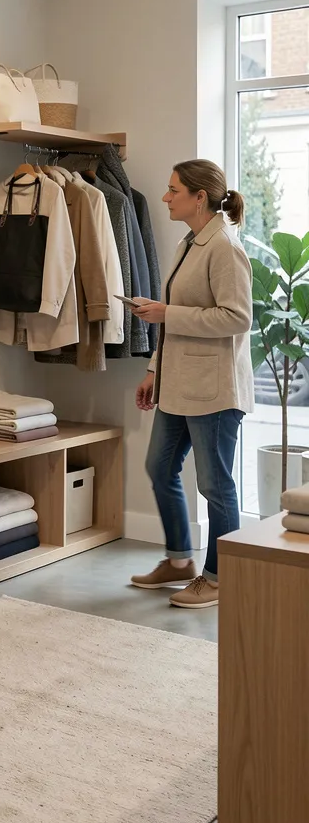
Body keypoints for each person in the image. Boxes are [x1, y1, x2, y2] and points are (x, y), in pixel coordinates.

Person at [130, 160, 253, 609]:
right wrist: (153, 370)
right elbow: (178, 317)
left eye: (173, 190)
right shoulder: (191, 242)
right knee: (160, 468)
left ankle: (221, 578)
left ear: (199, 197)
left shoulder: (224, 247)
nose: (165, 197)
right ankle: (180, 560)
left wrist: (166, 314)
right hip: (178, 384)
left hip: (214, 389)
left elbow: (238, 318)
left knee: (215, 486)